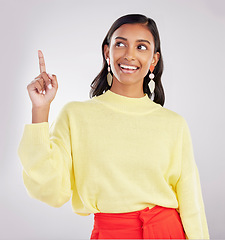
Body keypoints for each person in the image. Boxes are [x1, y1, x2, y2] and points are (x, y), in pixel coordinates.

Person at [18, 14, 210, 239]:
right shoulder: (76, 115)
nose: (130, 55)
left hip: (167, 232)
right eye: (121, 44)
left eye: (141, 47)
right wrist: (40, 109)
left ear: (154, 60)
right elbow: (51, 190)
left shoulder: (174, 124)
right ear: (107, 52)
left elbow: (192, 203)